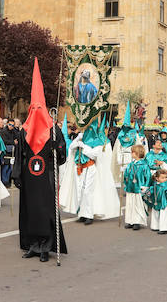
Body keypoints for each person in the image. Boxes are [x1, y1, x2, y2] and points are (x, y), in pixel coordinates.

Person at [13, 59, 67, 261]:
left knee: (46, 211)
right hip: (29, 178)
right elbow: (19, 155)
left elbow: (62, 155)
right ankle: (33, 245)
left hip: (47, 176)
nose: (35, 114)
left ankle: (46, 246)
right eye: (32, 109)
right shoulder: (23, 131)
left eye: (39, 109)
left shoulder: (54, 130)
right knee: (30, 211)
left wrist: (56, 148)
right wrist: (17, 174)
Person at [60, 116, 120, 224]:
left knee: (88, 192)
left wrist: (84, 147)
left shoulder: (99, 141)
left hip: (90, 167)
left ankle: (88, 215)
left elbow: (94, 154)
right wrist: (77, 141)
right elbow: (71, 148)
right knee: (79, 191)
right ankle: (81, 213)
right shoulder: (81, 138)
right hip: (78, 167)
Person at [144, 169, 167, 234]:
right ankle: (155, 226)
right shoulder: (155, 185)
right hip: (156, 202)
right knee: (155, 214)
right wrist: (147, 193)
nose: (165, 179)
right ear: (157, 178)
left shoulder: (166, 185)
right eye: (162, 178)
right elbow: (151, 191)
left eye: (166, 177)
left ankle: (165, 228)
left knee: (164, 215)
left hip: (164, 202)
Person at [123, 144, 150, 230]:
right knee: (130, 204)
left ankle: (137, 221)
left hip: (138, 188)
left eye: (133, 152)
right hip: (130, 187)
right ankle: (130, 220)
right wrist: (124, 173)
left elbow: (148, 176)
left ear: (137, 153)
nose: (131, 153)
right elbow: (127, 174)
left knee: (137, 205)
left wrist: (145, 186)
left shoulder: (144, 165)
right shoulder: (131, 164)